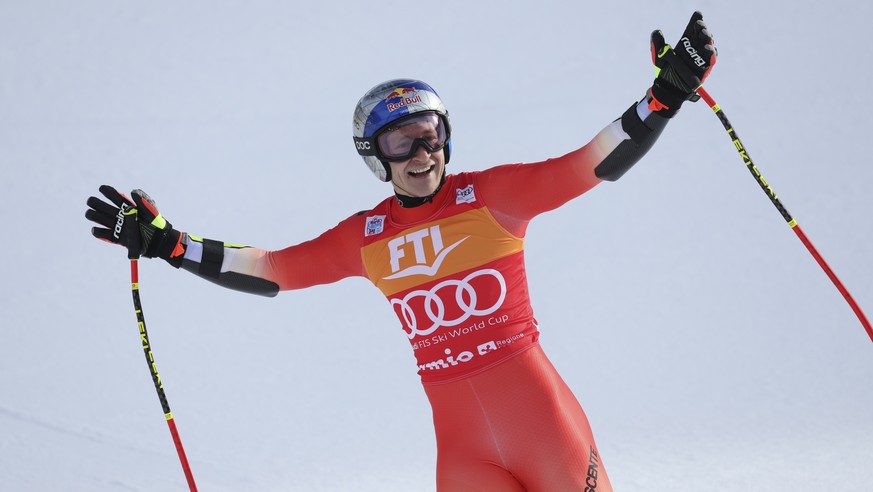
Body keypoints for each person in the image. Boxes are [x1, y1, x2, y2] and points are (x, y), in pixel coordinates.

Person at [86, 12, 716, 492]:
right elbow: (271, 270)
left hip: (543, 427)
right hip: (465, 451)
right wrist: (172, 245)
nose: (421, 154)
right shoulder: (366, 240)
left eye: (431, 135)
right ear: (375, 159)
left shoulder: (492, 197)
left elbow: (590, 163)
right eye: (400, 143)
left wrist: (660, 101)